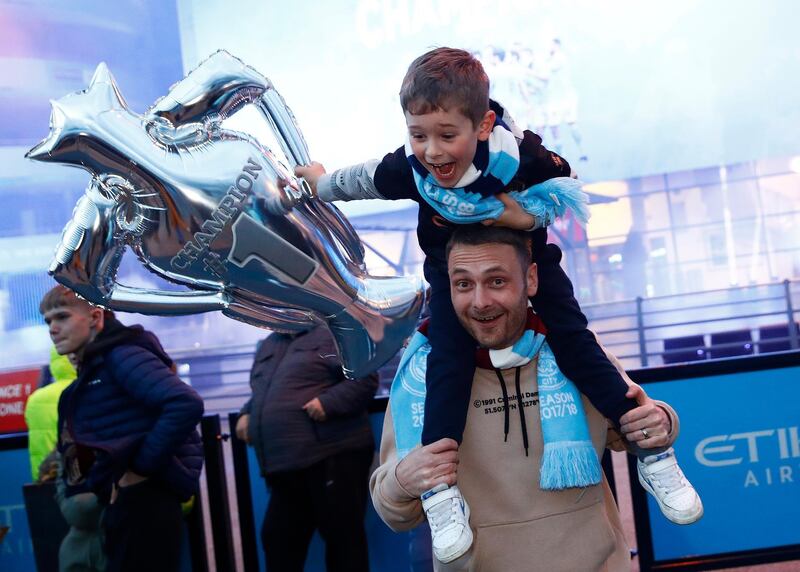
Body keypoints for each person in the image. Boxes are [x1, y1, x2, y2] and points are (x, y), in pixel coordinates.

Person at [296, 47, 701, 562]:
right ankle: (443, 498)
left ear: (484, 124)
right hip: (447, 268)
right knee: (449, 360)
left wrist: (657, 427)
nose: (432, 151)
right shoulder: (420, 363)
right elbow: (360, 180)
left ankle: (659, 464)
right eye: (419, 136)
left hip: (529, 246)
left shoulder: (520, 157)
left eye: (447, 136)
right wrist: (318, 183)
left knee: (576, 344)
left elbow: (563, 181)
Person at [371, 225, 695, 570]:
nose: (480, 302)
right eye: (464, 284)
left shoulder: (576, 353)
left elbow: (634, 426)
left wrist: (660, 420)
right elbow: (395, 513)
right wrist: (405, 479)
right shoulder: (422, 379)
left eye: (497, 281)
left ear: (532, 279)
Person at [40, 285, 204, 572]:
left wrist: (140, 468)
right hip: (127, 502)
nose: (53, 328)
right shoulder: (99, 365)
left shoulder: (121, 355)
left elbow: (184, 403)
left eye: (62, 317)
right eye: (48, 321)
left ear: (95, 317)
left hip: (148, 502)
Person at [235, 325, 379, 572]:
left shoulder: (335, 333)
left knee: (343, 542)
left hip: (332, 457)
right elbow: (266, 390)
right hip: (286, 467)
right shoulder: (271, 342)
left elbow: (365, 379)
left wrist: (327, 403)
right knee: (277, 540)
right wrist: (247, 413)